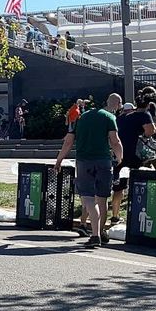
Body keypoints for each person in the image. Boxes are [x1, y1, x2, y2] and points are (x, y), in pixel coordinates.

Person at [55, 94, 123, 248]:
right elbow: (115, 141)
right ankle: (100, 232)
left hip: (84, 162)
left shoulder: (79, 118)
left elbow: (68, 142)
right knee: (102, 199)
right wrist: (120, 159)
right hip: (104, 161)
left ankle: (95, 235)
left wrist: (59, 161)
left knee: (89, 200)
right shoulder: (109, 117)